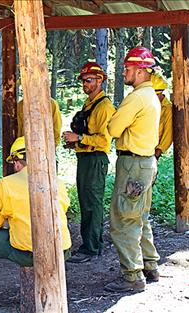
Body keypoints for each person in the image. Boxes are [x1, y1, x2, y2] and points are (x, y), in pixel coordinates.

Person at [0, 136, 72, 310]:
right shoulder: (57, 181)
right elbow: (63, 210)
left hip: (29, 254)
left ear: (16, 161)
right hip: (62, 250)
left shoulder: (5, 184)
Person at [105, 47, 161, 293]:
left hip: (133, 165)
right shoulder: (150, 96)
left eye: (127, 69)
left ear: (140, 71)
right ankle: (150, 266)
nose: (124, 73)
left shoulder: (137, 97)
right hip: (146, 163)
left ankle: (132, 277)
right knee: (140, 215)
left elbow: (114, 129)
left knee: (123, 220)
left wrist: (115, 121)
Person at [62, 62, 115, 263]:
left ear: (100, 80)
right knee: (86, 202)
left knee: (92, 203)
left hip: (95, 160)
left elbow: (103, 141)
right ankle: (89, 245)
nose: (85, 83)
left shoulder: (104, 107)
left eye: (89, 80)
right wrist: (74, 141)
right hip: (85, 158)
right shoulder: (90, 103)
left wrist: (80, 139)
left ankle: (92, 248)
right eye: (83, 80)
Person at [151, 72, 173, 159]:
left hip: (151, 153)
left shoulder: (167, 109)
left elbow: (168, 134)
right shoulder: (147, 104)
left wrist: (156, 155)